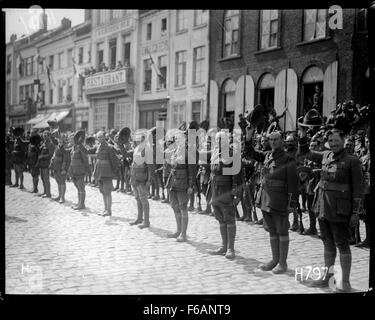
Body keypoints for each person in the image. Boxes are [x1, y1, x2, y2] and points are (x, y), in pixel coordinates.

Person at [299, 126, 364, 292]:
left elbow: (358, 190)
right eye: (330, 141)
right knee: (327, 244)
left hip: (340, 210)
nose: (333, 143)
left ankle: (346, 282)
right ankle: (328, 277)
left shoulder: (352, 161)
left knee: (342, 244)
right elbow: (306, 152)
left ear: (343, 141)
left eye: (336, 140)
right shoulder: (326, 155)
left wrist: (356, 213)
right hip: (323, 207)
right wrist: (303, 136)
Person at [244, 128, 298, 274]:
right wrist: (248, 137)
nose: (273, 142)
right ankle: (274, 260)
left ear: (282, 141)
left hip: (279, 199)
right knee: (271, 230)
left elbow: (293, 182)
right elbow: (250, 153)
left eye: (276, 139)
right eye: (271, 139)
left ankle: (283, 263)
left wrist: (292, 203)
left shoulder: (288, 159)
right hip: (266, 199)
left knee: (282, 230)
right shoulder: (267, 155)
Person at [208, 131, 241, 259]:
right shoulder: (215, 154)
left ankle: (230, 248)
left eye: (221, 140)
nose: (218, 142)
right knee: (220, 219)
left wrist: (237, 195)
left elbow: (237, 176)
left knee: (229, 219)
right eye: (217, 140)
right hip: (215, 191)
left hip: (227, 191)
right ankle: (223, 246)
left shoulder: (232, 154)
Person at [166, 127, 197, 242]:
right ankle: (178, 230)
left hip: (183, 183)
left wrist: (191, 185)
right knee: (175, 207)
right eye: (176, 139)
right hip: (173, 182)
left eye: (180, 139)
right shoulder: (174, 151)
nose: (177, 141)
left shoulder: (189, 153)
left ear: (184, 139)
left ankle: (183, 234)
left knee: (183, 207)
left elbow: (192, 171)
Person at [129, 129, 154, 228]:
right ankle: (139, 218)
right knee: (137, 198)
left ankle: (146, 221)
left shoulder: (147, 149)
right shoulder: (137, 148)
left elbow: (150, 166)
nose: (137, 139)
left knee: (143, 199)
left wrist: (149, 180)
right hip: (135, 176)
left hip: (142, 177)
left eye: (139, 137)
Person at [93, 131, 121, 216]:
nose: (100, 138)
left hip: (107, 172)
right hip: (100, 172)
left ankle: (109, 210)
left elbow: (114, 160)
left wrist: (113, 171)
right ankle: (105, 209)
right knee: (103, 191)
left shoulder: (109, 147)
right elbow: (96, 161)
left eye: (101, 137)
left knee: (107, 192)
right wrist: (94, 173)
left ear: (104, 137)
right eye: (98, 137)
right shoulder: (98, 147)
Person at [69, 130, 91, 210]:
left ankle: (82, 204)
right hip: (73, 170)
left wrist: (88, 171)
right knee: (77, 187)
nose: (70, 140)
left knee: (81, 187)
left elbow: (85, 159)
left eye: (72, 139)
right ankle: (79, 203)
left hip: (80, 170)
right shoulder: (73, 148)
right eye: (70, 139)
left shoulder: (81, 147)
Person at [355, 132, 370, 248]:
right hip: (366, 190)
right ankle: (368, 238)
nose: (369, 143)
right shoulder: (364, 158)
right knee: (366, 216)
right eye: (367, 141)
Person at [49, 132, 71, 203]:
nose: (60, 141)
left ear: (65, 140)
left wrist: (64, 169)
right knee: (58, 182)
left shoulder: (65, 148)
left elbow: (66, 159)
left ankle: (62, 197)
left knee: (62, 182)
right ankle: (59, 196)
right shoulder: (57, 146)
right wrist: (52, 159)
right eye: (59, 139)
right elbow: (54, 154)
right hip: (56, 166)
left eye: (62, 140)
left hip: (62, 167)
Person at [36, 129, 55, 197]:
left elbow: (51, 155)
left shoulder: (50, 143)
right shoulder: (44, 142)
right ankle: (45, 192)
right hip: (41, 163)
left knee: (46, 179)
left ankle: (48, 193)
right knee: (42, 178)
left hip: (46, 163)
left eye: (46, 135)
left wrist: (42, 156)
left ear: (49, 136)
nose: (44, 136)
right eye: (44, 134)